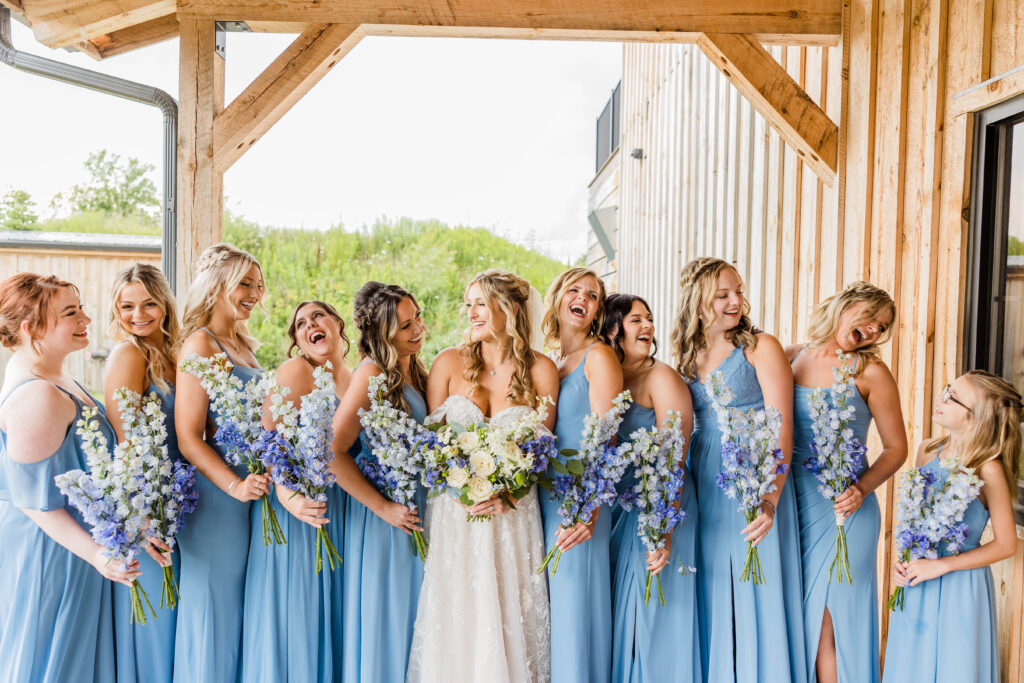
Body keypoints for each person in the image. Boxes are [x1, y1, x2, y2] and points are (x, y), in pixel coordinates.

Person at [407, 269, 559, 683]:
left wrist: (510, 494)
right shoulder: (448, 363)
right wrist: (453, 487)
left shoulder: (541, 370)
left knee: (511, 614)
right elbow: (431, 447)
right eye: (468, 302)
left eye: (479, 302)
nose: (469, 311)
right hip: (457, 515)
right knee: (458, 615)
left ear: (507, 309)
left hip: (512, 517)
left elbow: (541, 454)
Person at [672, 257, 806, 683]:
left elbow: (782, 423)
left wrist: (769, 496)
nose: (736, 301)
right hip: (703, 477)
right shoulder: (686, 354)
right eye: (723, 294)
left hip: (755, 474)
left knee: (757, 578)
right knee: (713, 580)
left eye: (739, 291)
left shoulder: (759, 346)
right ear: (698, 302)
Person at [0, 273, 135, 683]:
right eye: (70, 313)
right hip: (50, 552)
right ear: (31, 327)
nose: (86, 319)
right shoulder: (37, 393)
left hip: (80, 543)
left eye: (81, 309)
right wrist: (97, 554)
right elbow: (29, 499)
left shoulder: (55, 374)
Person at [785, 282, 906, 683]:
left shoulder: (870, 372)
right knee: (798, 617)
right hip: (792, 507)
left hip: (846, 510)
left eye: (882, 328)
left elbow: (895, 449)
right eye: (871, 318)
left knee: (830, 623)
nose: (874, 331)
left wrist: (861, 489)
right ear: (847, 305)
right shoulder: (791, 357)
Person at [882, 371, 1021, 683]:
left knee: (956, 667)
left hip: (961, 585)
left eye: (952, 396)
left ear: (975, 418)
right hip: (918, 581)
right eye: (947, 388)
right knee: (910, 666)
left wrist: (942, 565)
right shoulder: (927, 450)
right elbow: (915, 518)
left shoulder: (988, 469)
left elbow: (1007, 544)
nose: (942, 398)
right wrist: (903, 563)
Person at [241, 300, 353, 682]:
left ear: (337, 323)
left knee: (329, 617)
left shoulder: (354, 379)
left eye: (317, 317)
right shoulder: (296, 370)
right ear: (299, 342)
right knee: (296, 617)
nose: (310, 326)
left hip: (338, 510)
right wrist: (289, 498)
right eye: (300, 325)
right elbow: (267, 437)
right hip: (297, 509)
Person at [173, 243, 268, 683]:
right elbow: (189, 437)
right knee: (211, 608)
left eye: (258, 284)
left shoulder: (243, 344)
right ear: (217, 285)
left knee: (235, 608)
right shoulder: (200, 343)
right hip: (218, 498)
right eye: (244, 283)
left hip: (249, 492)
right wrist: (233, 486)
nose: (254, 292)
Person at [332, 283, 430, 683]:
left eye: (418, 317)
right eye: (405, 326)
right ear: (382, 334)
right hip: (386, 521)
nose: (418, 329)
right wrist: (383, 507)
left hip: (420, 510)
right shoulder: (372, 373)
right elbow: (331, 451)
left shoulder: (417, 368)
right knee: (390, 621)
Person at [602, 293, 700, 683]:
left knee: (651, 617)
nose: (647, 327)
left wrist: (663, 528)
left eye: (649, 319)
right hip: (619, 506)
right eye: (635, 320)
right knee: (623, 614)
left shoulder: (661, 377)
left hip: (660, 503)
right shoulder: (608, 374)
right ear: (613, 329)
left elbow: (677, 455)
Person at [538, 267, 623, 683]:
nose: (583, 299)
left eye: (592, 296)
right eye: (574, 290)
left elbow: (608, 436)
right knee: (553, 611)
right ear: (557, 298)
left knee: (575, 608)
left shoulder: (598, 356)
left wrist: (588, 511)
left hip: (582, 502)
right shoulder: (552, 360)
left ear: (596, 312)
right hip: (547, 498)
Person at [104, 264, 182, 683]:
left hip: (181, 500)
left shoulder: (177, 352)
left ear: (164, 304)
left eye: (148, 303)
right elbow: (126, 441)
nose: (138, 314)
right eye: (127, 305)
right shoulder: (127, 354)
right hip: (148, 506)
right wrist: (144, 514)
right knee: (155, 621)